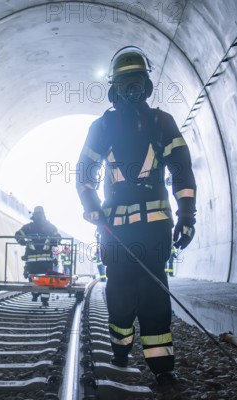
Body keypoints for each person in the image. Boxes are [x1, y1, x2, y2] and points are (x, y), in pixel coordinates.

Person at [76, 46, 197, 386]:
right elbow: (84, 174)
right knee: (120, 295)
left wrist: (188, 213)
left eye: (137, 82)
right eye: (127, 83)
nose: (132, 89)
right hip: (115, 234)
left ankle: (163, 369)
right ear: (116, 88)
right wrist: (92, 207)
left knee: (155, 296)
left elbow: (183, 172)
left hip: (155, 230)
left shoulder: (162, 123)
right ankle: (120, 348)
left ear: (146, 85)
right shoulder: (103, 127)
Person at [15, 206, 61, 305]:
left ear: (34, 215)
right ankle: (44, 299)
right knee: (46, 280)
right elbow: (58, 238)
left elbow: (18, 234)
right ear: (44, 215)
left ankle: (35, 295)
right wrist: (54, 245)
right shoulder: (50, 227)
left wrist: (21, 241)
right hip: (46, 262)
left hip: (32, 262)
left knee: (33, 279)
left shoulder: (28, 227)